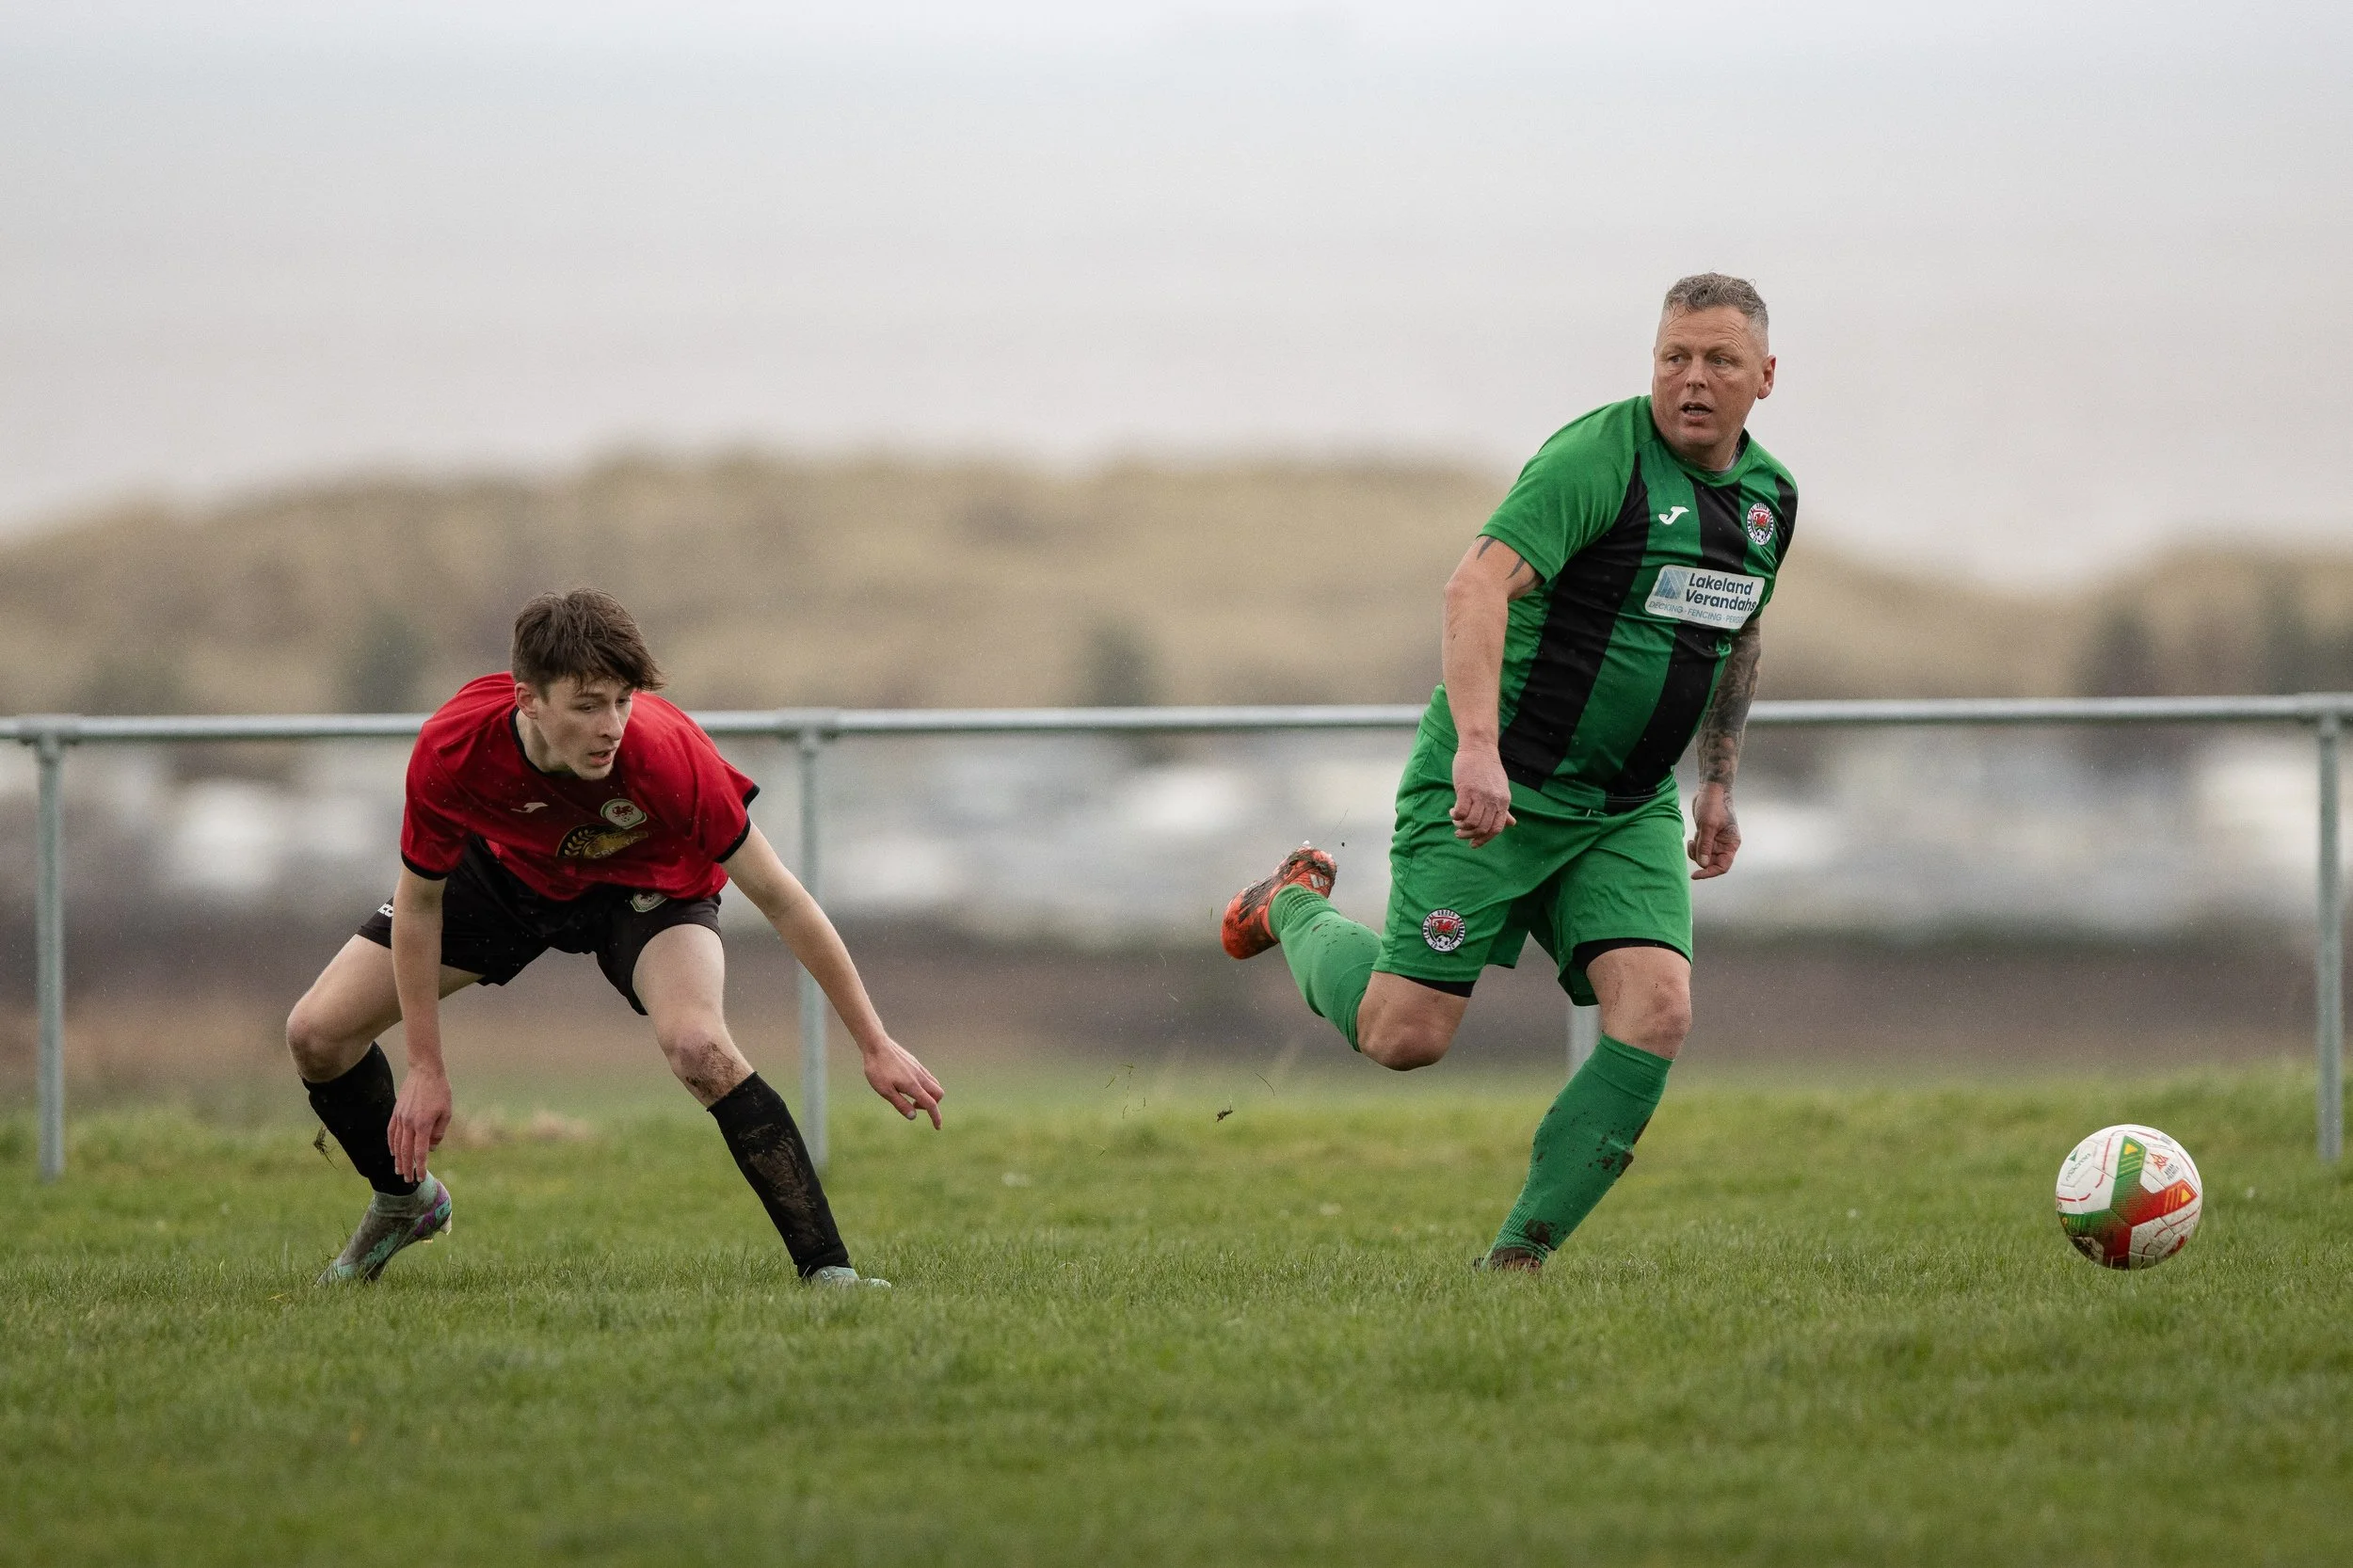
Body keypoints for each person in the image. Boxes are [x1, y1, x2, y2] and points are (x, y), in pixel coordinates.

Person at [1221, 273, 1793, 1271]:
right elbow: (1473, 582)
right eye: (1673, 358)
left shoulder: (1768, 500)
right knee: (1406, 1035)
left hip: (1624, 809)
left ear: (1765, 378)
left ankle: (1515, 1263)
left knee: (1658, 1009)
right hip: (1498, 786)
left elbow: (1737, 630)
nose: (1691, 379)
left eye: (1717, 361)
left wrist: (1718, 780)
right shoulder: (1594, 462)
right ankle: (1292, 907)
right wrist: (1478, 750)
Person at [286, 588, 942, 1286]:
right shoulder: (454, 747)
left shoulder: (665, 752)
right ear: (527, 700)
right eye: (589, 704)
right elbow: (421, 904)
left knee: (700, 1049)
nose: (613, 725)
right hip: (510, 879)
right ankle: (405, 1201)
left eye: (624, 700)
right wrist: (425, 1065)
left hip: (646, 889)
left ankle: (829, 1274)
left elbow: (782, 899)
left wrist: (874, 1043)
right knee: (316, 1035)